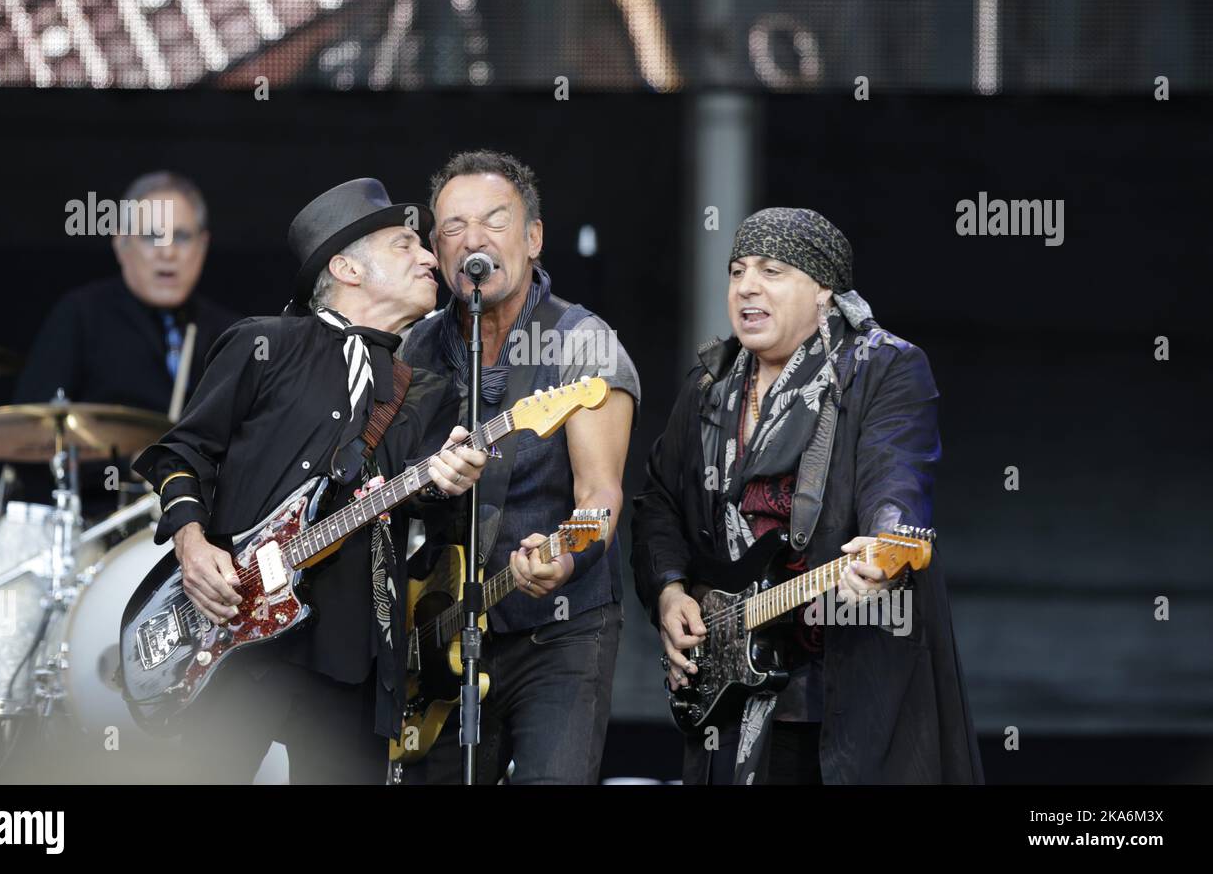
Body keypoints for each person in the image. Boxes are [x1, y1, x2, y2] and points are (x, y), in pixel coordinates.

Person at [132, 178, 488, 783]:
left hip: (351, 657)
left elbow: (424, 502)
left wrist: (448, 478)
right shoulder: (263, 342)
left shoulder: (425, 392)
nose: (431, 257)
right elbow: (181, 452)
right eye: (406, 245)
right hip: (232, 644)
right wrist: (192, 546)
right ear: (347, 266)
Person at [631, 207, 983, 784]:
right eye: (737, 270)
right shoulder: (710, 386)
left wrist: (887, 541)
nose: (746, 286)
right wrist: (669, 594)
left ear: (825, 290)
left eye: (772, 271)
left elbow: (897, 471)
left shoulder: (882, 366)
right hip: (733, 686)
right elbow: (660, 501)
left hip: (841, 685)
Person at [402, 150, 639, 784]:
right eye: (453, 227)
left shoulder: (581, 341)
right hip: (441, 633)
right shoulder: (414, 349)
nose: (472, 240)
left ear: (533, 237)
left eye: (494, 221)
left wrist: (565, 555)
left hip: (557, 633)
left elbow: (600, 492)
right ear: (435, 248)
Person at [13, 171, 239, 513]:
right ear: (121, 244)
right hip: (103, 525)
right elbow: (31, 434)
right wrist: (131, 465)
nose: (168, 253)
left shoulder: (230, 332)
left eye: (181, 237)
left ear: (202, 246)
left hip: (205, 525)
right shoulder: (81, 315)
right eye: (151, 237)